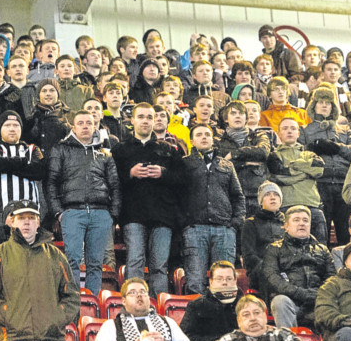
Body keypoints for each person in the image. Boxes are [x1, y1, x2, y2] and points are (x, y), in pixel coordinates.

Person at [0, 199, 80, 341]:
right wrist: (11, 317)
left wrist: (55, 318)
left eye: (31, 217)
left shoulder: (56, 256)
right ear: (12, 221)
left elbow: (72, 296)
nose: (26, 222)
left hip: (51, 339)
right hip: (13, 338)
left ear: (38, 222)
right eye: (21, 217)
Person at [111, 103, 183, 296]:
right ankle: (133, 302)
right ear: (132, 120)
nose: (145, 121)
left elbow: (183, 180)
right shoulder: (120, 150)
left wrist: (164, 173)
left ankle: (160, 308)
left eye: (149, 117)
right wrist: (130, 173)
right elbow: (111, 181)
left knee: (159, 265)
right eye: (141, 117)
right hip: (132, 215)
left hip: (163, 216)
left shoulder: (169, 149)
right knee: (135, 261)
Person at [47, 110, 120, 295]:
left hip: (100, 213)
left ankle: (92, 302)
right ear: (73, 127)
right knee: (72, 259)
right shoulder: (61, 149)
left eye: (89, 122)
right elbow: (52, 182)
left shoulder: (105, 153)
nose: (85, 126)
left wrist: (112, 214)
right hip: (72, 212)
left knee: (95, 262)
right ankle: (73, 301)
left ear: (95, 126)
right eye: (81, 123)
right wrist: (59, 212)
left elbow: (115, 185)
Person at [181, 124, 245, 294]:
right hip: (195, 229)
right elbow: (176, 196)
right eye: (199, 134)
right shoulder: (184, 164)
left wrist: (235, 223)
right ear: (192, 140)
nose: (204, 137)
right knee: (195, 280)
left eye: (207, 134)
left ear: (212, 139)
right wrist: (184, 223)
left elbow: (238, 196)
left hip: (224, 229)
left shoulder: (226, 165)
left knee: (225, 281)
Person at [298, 86, 351, 246]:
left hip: (343, 184)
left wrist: (338, 147)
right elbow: (299, 153)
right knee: (321, 234)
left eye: (328, 102)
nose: (324, 105)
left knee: (346, 233)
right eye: (320, 102)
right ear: (314, 105)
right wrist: (313, 146)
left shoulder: (345, 130)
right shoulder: (304, 130)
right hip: (319, 185)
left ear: (333, 106)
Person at [91, 277, 195, 341]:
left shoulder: (168, 322)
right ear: (123, 300)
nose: (139, 295)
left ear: (149, 298)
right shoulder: (110, 326)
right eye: (132, 292)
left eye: (143, 292)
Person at [263, 206, 335, 328]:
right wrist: (301, 293)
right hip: (291, 300)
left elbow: (331, 278)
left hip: (319, 301)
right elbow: (273, 279)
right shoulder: (274, 249)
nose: (302, 223)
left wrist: (319, 294)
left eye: (305, 220)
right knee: (280, 301)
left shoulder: (322, 249)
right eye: (296, 220)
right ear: (286, 226)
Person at [0, 111, 45, 249]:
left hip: (29, 211)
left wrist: (5, 165)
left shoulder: (32, 149)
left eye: (16, 125)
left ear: (21, 129)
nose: (12, 128)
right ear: (0, 129)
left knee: (28, 252)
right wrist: (22, 162)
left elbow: (39, 171)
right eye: (7, 125)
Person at [267, 117, 327, 244]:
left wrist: (293, 166)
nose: (289, 131)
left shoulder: (310, 154)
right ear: (279, 133)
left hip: (312, 206)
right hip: (286, 207)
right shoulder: (273, 155)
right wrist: (306, 172)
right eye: (285, 128)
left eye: (293, 128)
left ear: (298, 133)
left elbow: (319, 170)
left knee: (320, 249)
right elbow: (280, 177)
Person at [205, 295, 309, 341]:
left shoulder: (283, 334)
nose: (253, 318)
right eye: (246, 315)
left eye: (257, 313)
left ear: (265, 316)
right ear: (238, 320)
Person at [180, 261, 242, 341]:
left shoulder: (244, 304)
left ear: (235, 281)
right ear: (211, 281)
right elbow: (185, 336)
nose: (224, 282)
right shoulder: (197, 305)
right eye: (219, 279)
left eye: (229, 279)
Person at [215, 101, 270, 218]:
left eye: (241, 113)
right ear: (226, 119)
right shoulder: (218, 141)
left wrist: (235, 154)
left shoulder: (258, 136)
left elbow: (263, 152)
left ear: (246, 118)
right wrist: (246, 162)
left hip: (257, 194)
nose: (238, 116)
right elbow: (220, 165)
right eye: (233, 113)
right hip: (231, 195)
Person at [240, 181, 285, 293]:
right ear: (260, 201)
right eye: (267, 194)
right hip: (261, 271)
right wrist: (271, 268)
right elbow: (249, 256)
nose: (272, 197)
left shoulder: (288, 223)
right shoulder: (251, 223)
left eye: (276, 195)